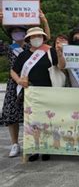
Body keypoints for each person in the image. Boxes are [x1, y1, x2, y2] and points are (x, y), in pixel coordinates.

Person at [11, 27, 66, 162]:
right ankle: (34, 148)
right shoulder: (23, 55)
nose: (36, 38)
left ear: (43, 37)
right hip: (31, 92)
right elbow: (13, 71)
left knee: (48, 120)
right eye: (33, 36)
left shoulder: (49, 51)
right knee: (32, 121)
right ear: (29, 39)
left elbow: (62, 67)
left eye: (39, 36)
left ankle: (47, 148)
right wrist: (19, 80)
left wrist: (59, 54)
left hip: (48, 91)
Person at [1, 24, 28, 158]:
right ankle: (15, 144)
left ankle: (32, 143)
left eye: (20, 31)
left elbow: (47, 38)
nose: (17, 33)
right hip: (14, 83)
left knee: (31, 113)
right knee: (11, 113)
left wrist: (43, 20)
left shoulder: (31, 47)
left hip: (29, 83)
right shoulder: (9, 47)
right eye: (14, 31)